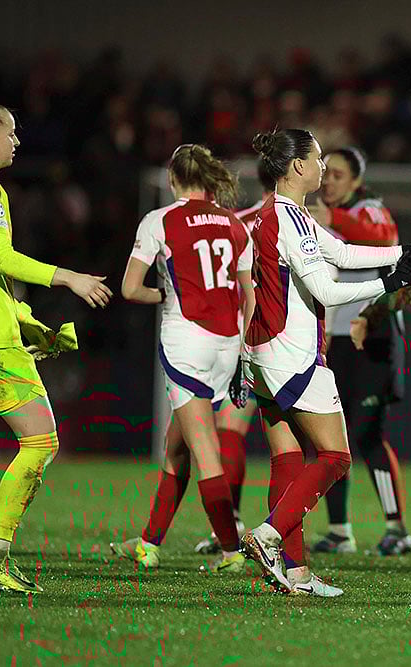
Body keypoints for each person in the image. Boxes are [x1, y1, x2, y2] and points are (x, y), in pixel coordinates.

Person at [236, 128, 411, 596]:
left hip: (266, 352)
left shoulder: (288, 214)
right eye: (319, 157)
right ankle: (268, 537)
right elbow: (327, 290)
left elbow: (343, 254)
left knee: (289, 461)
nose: (324, 166)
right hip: (292, 353)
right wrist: (392, 281)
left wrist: (406, 255)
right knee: (336, 456)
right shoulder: (288, 219)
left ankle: (297, 573)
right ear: (299, 167)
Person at [0, 98, 112, 593]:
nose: (16, 141)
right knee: (42, 441)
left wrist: (27, 319)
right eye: (9, 133)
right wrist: (68, 278)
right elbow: (0, 256)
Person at [112, 144, 253, 574]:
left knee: (204, 449)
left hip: (187, 342)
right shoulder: (234, 224)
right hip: (228, 343)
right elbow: (247, 295)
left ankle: (231, 552)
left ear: (173, 179)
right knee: (176, 446)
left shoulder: (160, 220)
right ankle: (149, 543)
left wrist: (167, 293)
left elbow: (131, 288)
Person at [307, 147, 411, 556]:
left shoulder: (369, 210)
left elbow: (384, 237)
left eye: (337, 174)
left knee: (368, 434)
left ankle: (397, 527)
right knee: (335, 438)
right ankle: (340, 531)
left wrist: (331, 219)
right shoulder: (315, 219)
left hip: (374, 340)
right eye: (325, 173)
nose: (328, 180)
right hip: (335, 341)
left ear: (355, 181)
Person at [194, 161, 275, 555]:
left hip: (238, 339)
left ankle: (236, 526)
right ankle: (282, 533)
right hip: (276, 340)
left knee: (228, 433)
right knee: (306, 444)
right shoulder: (309, 225)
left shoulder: (236, 223)